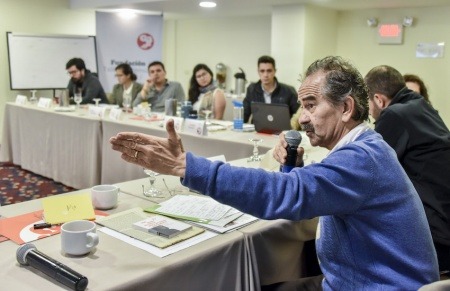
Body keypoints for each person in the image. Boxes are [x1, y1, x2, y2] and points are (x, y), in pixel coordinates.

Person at [110, 56, 439, 289]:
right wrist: (294, 169)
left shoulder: (363, 158)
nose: (302, 118)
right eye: (301, 107)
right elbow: (311, 190)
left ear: (346, 108)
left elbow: (289, 196)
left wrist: (186, 166)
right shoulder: (366, 147)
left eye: (311, 106)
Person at [365, 65, 450, 274]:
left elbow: (369, 170)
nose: (369, 112)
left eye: (368, 104)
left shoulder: (394, 115)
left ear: (378, 99)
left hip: (436, 236)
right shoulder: (421, 106)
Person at [243, 55, 299, 123]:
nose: (265, 75)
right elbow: (244, 114)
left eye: (269, 71)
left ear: (275, 71)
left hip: (281, 131)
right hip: (258, 131)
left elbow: (298, 116)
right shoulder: (252, 90)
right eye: (262, 71)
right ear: (258, 72)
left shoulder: (289, 91)